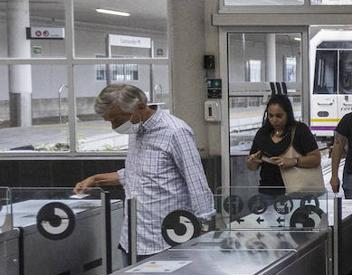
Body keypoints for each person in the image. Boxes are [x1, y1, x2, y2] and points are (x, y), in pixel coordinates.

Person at [73, 83, 214, 257]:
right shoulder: (135, 130)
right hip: (132, 240)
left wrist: (205, 233)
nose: (114, 127)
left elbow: (196, 182)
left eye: (118, 120)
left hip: (168, 242)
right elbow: (138, 175)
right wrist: (96, 179)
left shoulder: (175, 132)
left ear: (140, 107)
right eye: (110, 121)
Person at [246, 94, 321, 196]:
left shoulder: (300, 130)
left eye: (279, 116)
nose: (274, 120)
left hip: (296, 192)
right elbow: (252, 166)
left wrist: (294, 161)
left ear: (288, 114)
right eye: (270, 116)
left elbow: (316, 158)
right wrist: (252, 161)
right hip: (267, 191)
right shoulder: (263, 133)